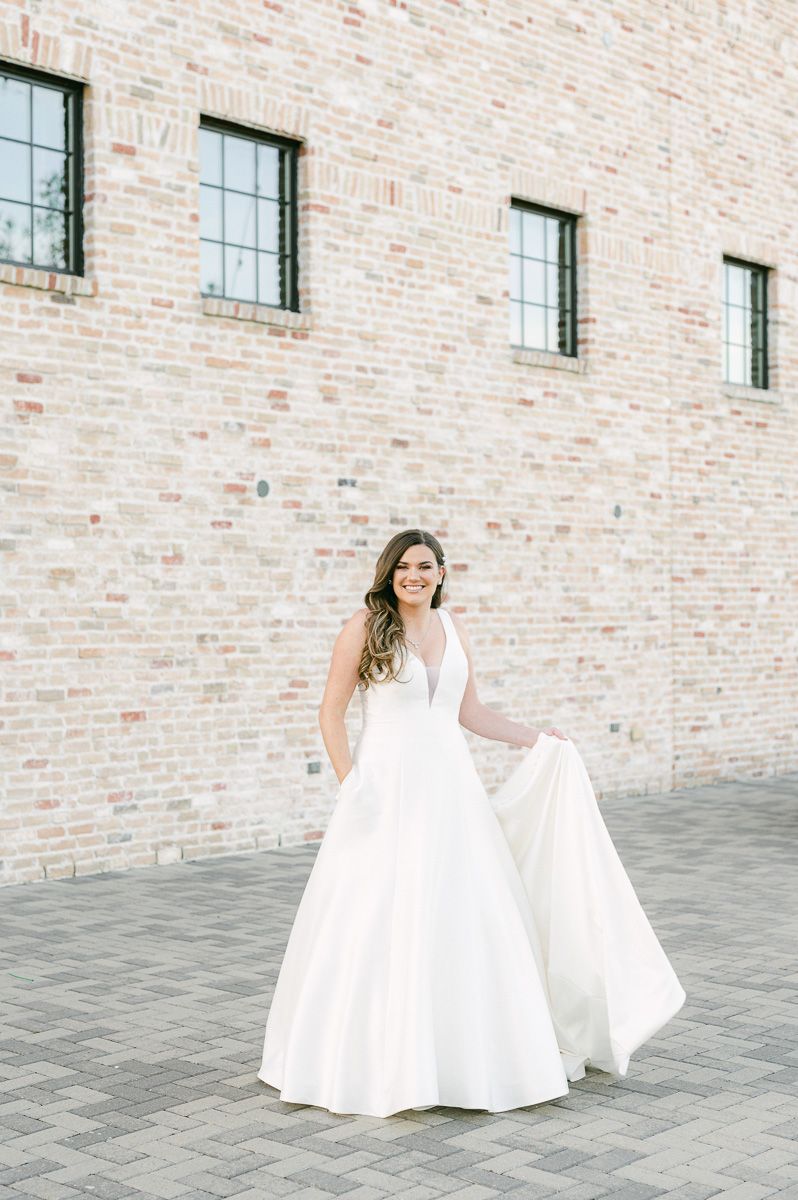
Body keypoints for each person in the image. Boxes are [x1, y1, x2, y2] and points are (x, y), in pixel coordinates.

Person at [257, 528, 686, 1117]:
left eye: (426, 566)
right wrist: (351, 783)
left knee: (468, 914)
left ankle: (468, 1058)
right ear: (389, 573)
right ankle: (376, 1062)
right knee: (379, 914)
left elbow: (470, 712)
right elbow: (330, 712)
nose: (415, 575)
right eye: (404, 566)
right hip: (385, 792)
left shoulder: (452, 627)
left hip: (453, 793)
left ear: (440, 573)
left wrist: (536, 737)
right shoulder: (363, 628)